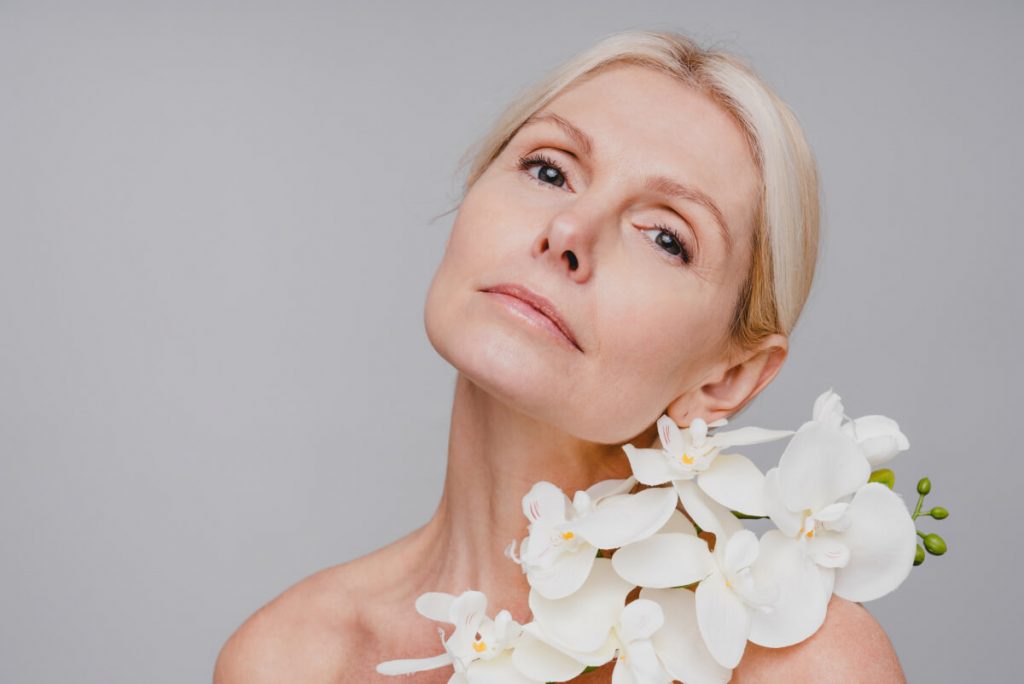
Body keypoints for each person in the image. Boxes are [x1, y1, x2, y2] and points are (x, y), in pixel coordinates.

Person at [213, 29, 906, 683]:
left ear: (728, 378)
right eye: (549, 170)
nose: (569, 230)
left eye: (665, 236)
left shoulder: (807, 666)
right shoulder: (290, 658)